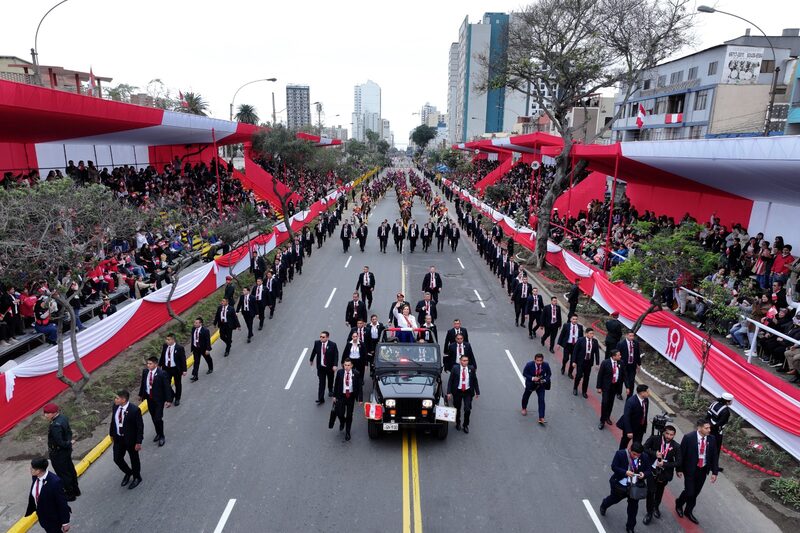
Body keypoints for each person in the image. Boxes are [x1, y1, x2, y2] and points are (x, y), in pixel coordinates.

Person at [599, 442, 652, 533]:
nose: (636, 457)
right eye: (634, 454)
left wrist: (644, 474)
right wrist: (625, 472)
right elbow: (614, 467)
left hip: (635, 487)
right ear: (630, 450)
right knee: (614, 499)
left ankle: (630, 527)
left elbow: (649, 471)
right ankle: (604, 505)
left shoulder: (644, 457)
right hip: (621, 485)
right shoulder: (620, 454)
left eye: (638, 455)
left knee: (633, 509)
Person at [675, 418, 720, 525]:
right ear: (699, 428)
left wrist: (714, 472)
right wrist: (679, 469)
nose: (709, 430)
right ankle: (679, 503)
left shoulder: (712, 439)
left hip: (703, 469)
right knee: (689, 491)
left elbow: (714, 456)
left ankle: (688, 511)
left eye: (709, 428)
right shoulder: (689, 438)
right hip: (690, 469)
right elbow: (681, 454)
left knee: (695, 493)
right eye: (706, 428)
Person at [643, 425, 681, 524]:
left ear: (674, 435)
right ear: (663, 432)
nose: (669, 436)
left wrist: (664, 464)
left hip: (664, 473)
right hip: (652, 470)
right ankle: (649, 513)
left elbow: (678, 462)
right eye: (667, 433)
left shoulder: (676, 446)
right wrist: (654, 453)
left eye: (671, 435)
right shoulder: (654, 439)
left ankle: (656, 507)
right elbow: (644, 448)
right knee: (650, 492)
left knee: (659, 492)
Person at [43, 404, 80, 501]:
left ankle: (70, 494)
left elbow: (60, 442)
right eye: (45, 413)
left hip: (58, 452)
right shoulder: (63, 418)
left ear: (54, 413)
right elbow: (69, 432)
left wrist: (68, 443)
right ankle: (76, 490)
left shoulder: (55, 425)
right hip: (66, 451)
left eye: (47, 413)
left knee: (63, 474)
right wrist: (69, 443)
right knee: (70, 470)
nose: (45, 415)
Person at [24, 457, 71, 533]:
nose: (30, 469)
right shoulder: (35, 477)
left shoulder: (55, 482)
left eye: (32, 468)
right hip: (43, 517)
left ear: (38, 471)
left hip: (53, 520)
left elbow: (62, 503)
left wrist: (65, 523)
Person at [109, 389, 144, 489]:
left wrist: (138, 441)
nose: (115, 400)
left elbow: (140, 427)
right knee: (117, 459)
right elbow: (113, 421)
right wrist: (111, 434)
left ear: (123, 399)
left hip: (130, 440)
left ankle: (137, 477)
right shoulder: (115, 407)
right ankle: (129, 472)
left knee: (134, 459)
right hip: (118, 439)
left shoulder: (134, 410)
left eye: (117, 398)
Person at [138, 356, 173, 447]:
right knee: (153, 417)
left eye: (150, 364)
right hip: (149, 399)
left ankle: (162, 436)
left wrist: (169, 400)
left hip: (159, 400)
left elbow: (167, 387)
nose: (148, 365)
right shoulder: (145, 372)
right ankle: (158, 432)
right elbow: (143, 384)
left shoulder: (162, 373)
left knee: (158, 418)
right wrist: (141, 395)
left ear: (156, 364)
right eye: (147, 363)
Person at [332, 359, 363, 441]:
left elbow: (359, 387)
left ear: (351, 365)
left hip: (350, 397)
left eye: (348, 365)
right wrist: (334, 396)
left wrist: (360, 399)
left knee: (349, 415)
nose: (347, 367)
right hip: (341, 396)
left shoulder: (356, 373)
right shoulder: (340, 373)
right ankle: (342, 422)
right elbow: (336, 384)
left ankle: (347, 432)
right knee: (340, 413)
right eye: (345, 365)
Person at [447, 354, 480, 433]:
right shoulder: (455, 368)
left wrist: (477, 392)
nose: (465, 362)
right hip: (457, 392)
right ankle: (458, 423)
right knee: (457, 408)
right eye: (463, 360)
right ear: (460, 361)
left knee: (467, 409)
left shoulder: (471, 369)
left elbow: (475, 380)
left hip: (468, 392)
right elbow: (450, 381)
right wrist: (449, 392)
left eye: (466, 361)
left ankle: (465, 425)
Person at [596, 350, 624, 430]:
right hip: (606, 387)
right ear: (614, 356)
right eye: (618, 355)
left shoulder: (621, 363)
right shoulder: (605, 363)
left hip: (614, 387)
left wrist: (627, 386)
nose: (620, 356)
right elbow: (600, 375)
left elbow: (624, 374)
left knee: (610, 403)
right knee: (605, 403)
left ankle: (607, 417)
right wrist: (599, 387)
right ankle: (602, 420)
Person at [617, 384, 650, 450]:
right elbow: (626, 417)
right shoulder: (631, 401)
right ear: (642, 393)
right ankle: (621, 454)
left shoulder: (646, 400)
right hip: (631, 427)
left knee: (637, 446)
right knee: (624, 443)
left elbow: (644, 413)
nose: (649, 393)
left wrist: (644, 425)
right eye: (647, 391)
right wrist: (629, 431)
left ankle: (633, 455)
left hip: (640, 428)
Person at [521, 353, 551, 424]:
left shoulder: (546, 365)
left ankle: (541, 417)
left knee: (541, 400)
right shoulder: (529, 365)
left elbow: (549, 374)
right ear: (534, 360)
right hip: (530, 384)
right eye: (537, 360)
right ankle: (524, 408)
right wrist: (532, 378)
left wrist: (545, 380)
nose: (539, 362)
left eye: (541, 361)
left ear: (543, 360)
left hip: (540, 384)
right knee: (526, 396)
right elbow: (524, 373)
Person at [309, 331, 338, 404]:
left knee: (330, 379)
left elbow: (336, 355)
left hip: (329, 367)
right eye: (320, 337)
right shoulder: (317, 343)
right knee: (321, 383)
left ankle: (330, 389)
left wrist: (335, 365)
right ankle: (321, 399)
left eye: (323, 337)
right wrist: (311, 359)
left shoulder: (333, 345)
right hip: (321, 367)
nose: (321, 338)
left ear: (327, 337)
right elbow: (314, 351)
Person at [707, 392, 733, 469]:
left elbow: (708, 415)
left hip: (707, 427)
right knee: (715, 449)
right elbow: (720, 423)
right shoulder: (726, 411)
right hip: (716, 432)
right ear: (727, 401)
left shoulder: (714, 403)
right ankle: (713, 466)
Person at [571, 327, 600, 398]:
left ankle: (584, 391)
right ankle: (575, 388)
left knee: (586, 377)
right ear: (586, 334)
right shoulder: (581, 340)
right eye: (590, 333)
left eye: (593, 333)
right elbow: (575, 351)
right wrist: (574, 361)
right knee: (579, 375)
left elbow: (597, 353)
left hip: (589, 362)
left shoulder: (595, 341)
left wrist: (597, 363)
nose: (592, 335)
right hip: (581, 361)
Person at [159, 333, 186, 406]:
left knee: (178, 384)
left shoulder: (179, 348)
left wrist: (184, 370)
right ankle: (171, 395)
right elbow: (163, 356)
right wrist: (159, 365)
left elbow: (183, 359)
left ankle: (177, 398)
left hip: (176, 369)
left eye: (168, 339)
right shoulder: (165, 346)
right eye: (166, 339)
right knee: (165, 384)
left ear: (173, 340)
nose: (166, 341)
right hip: (166, 369)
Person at [617, 332, 641, 398]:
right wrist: (618, 364)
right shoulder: (621, 344)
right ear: (626, 335)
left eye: (633, 336)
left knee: (631, 381)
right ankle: (619, 393)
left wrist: (639, 364)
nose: (632, 337)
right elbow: (617, 355)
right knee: (621, 380)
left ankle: (629, 396)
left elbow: (637, 354)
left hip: (632, 366)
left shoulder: (636, 343)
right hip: (623, 365)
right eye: (630, 336)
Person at [189, 317, 213, 382]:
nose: (194, 324)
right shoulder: (193, 329)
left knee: (208, 358)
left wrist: (208, 349)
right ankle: (195, 376)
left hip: (203, 348)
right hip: (195, 348)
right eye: (194, 322)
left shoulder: (205, 330)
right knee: (196, 361)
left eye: (196, 323)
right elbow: (193, 338)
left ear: (200, 323)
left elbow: (208, 340)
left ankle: (210, 368)